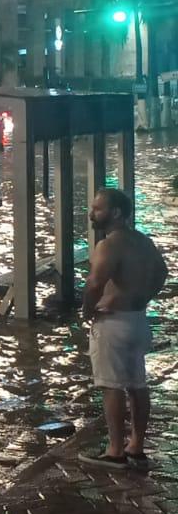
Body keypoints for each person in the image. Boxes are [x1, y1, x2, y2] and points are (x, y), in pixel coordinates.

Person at [79, 187, 167, 468]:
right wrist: (143, 296)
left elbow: (94, 283)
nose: (91, 213)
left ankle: (115, 450)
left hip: (113, 321)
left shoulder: (108, 245)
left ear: (115, 213)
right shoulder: (143, 241)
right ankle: (136, 446)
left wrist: (87, 309)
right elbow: (162, 272)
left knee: (111, 386)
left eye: (97, 208)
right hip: (138, 320)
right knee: (138, 385)